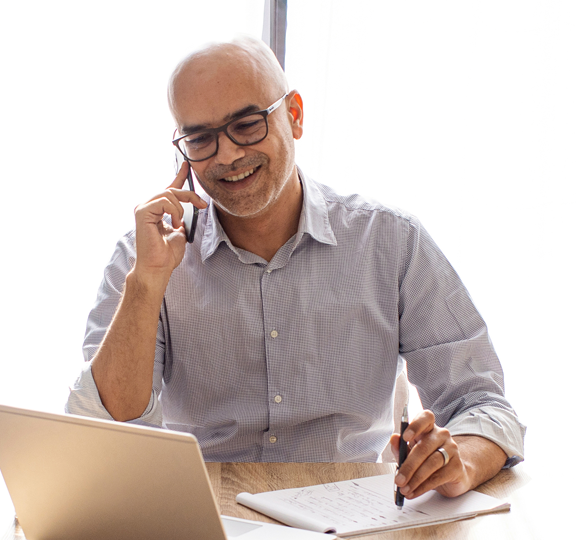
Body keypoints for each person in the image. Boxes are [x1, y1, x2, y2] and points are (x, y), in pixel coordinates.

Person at [66, 36, 525, 501]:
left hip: (350, 515)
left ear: (296, 116)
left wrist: (458, 461)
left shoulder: (391, 240)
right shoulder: (144, 256)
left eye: (246, 124)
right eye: (200, 138)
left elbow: (484, 405)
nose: (225, 155)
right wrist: (147, 283)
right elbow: (103, 432)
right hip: (203, 511)